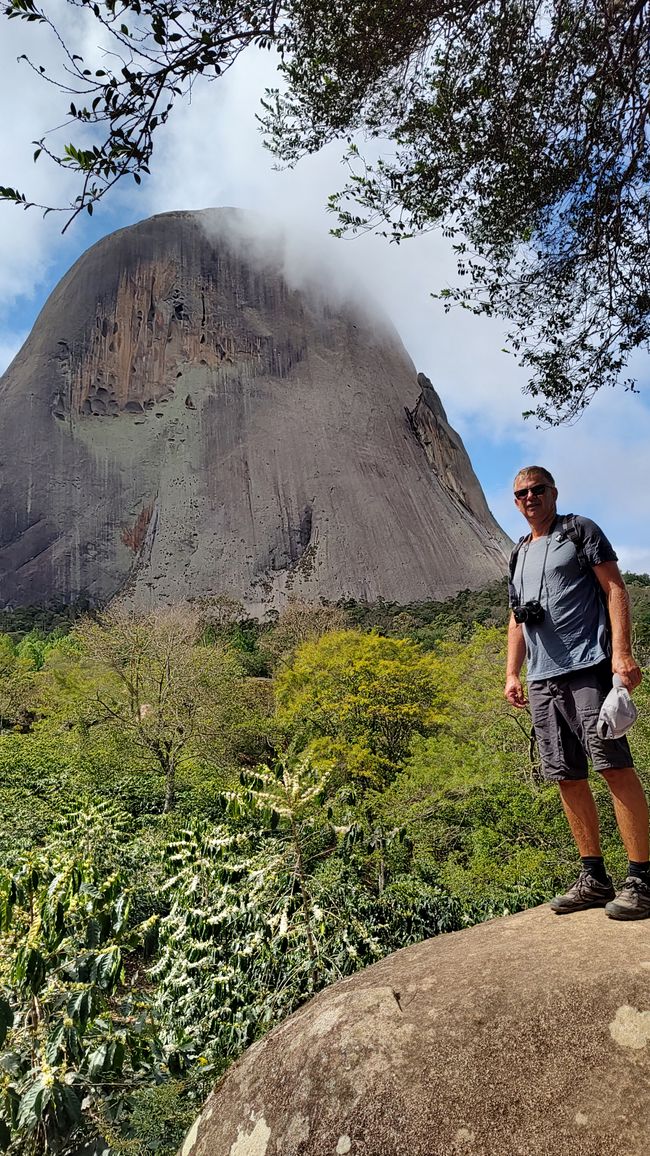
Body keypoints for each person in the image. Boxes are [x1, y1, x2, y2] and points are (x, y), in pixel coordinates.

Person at [504, 465, 649, 919]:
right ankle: (593, 877)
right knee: (566, 775)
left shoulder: (579, 530)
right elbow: (516, 618)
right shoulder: (519, 553)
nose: (530, 497)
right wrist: (512, 673)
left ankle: (643, 879)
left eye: (537, 490)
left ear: (553, 492)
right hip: (542, 679)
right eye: (521, 493)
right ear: (515, 501)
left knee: (612, 766)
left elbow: (614, 588)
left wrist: (621, 655)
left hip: (587, 668)